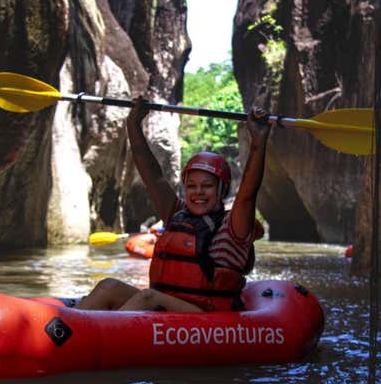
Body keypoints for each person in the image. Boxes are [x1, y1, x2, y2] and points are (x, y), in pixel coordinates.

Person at [75, 97, 270, 312]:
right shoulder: (177, 214)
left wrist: (258, 140)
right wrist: (134, 124)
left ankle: (94, 340)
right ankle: (66, 331)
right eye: (192, 186)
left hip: (207, 317)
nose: (198, 193)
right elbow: (152, 175)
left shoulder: (233, 227)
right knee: (108, 286)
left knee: (148, 298)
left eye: (207, 186)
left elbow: (248, 192)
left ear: (222, 190)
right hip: (168, 308)